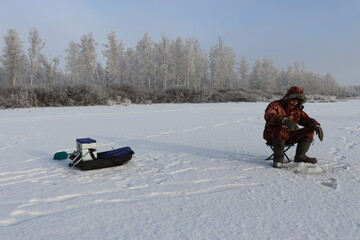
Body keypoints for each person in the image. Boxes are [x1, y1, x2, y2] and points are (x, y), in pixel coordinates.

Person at [263, 86, 324, 168]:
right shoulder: (275, 105)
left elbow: (306, 119)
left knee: (309, 131)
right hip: (272, 135)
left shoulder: (296, 111)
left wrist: (316, 125)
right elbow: (269, 115)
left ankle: (300, 156)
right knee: (280, 130)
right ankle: (278, 160)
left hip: (288, 135)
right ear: (287, 98)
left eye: (297, 101)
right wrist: (284, 120)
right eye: (293, 100)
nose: (294, 103)